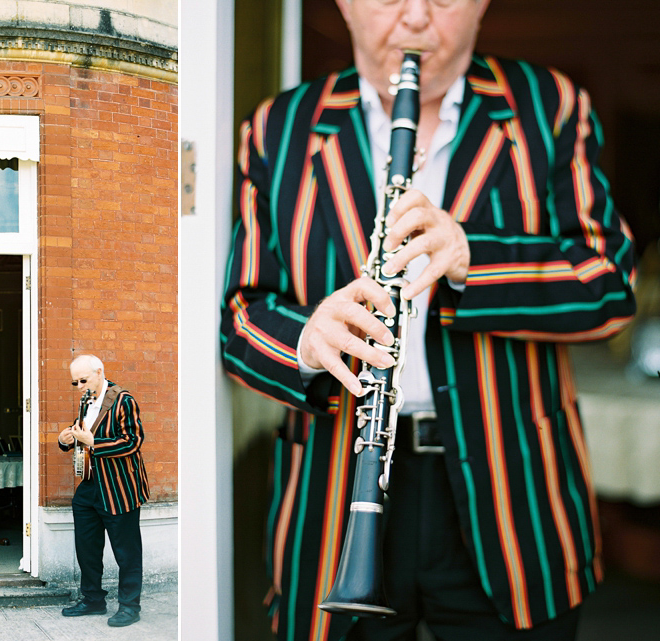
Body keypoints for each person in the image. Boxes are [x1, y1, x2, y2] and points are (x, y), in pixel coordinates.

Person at [220, 1, 638, 639]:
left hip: (513, 489)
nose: (416, 19)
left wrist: (474, 258)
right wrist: (305, 339)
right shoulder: (277, 129)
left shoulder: (550, 107)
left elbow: (611, 285)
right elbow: (241, 316)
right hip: (334, 486)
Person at [58, 354, 149, 628]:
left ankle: (130, 607)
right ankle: (93, 600)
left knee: (127, 551)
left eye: (83, 380)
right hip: (89, 486)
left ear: (99, 372)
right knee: (86, 547)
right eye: (75, 382)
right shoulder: (86, 401)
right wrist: (67, 440)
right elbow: (83, 443)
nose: (79, 386)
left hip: (119, 487)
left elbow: (132, 442)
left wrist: (93, 442)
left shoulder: (123, 400)